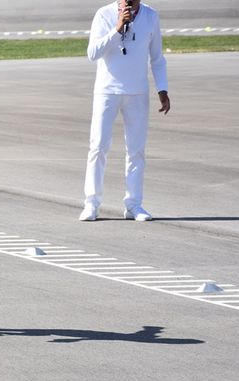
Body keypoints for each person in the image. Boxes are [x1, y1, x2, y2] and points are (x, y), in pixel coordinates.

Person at [79, 0, 171, 222]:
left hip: (137, 92)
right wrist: (117, 28)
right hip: (107, 91)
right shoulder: (104, 15)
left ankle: (134, 205)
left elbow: (157, 58)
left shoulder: (151, 16)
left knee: (136, 151)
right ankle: (91, 204)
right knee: (98, 147)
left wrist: (162, 88)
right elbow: (93, 53)